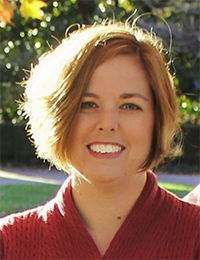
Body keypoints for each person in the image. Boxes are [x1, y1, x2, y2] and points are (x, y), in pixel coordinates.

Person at [0, 19, 200, 260]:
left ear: (157, 119)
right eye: (88, 104)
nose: (107, 123)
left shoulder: (193, 239)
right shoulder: (9, 244)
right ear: (58, 116)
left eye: (129, 106)